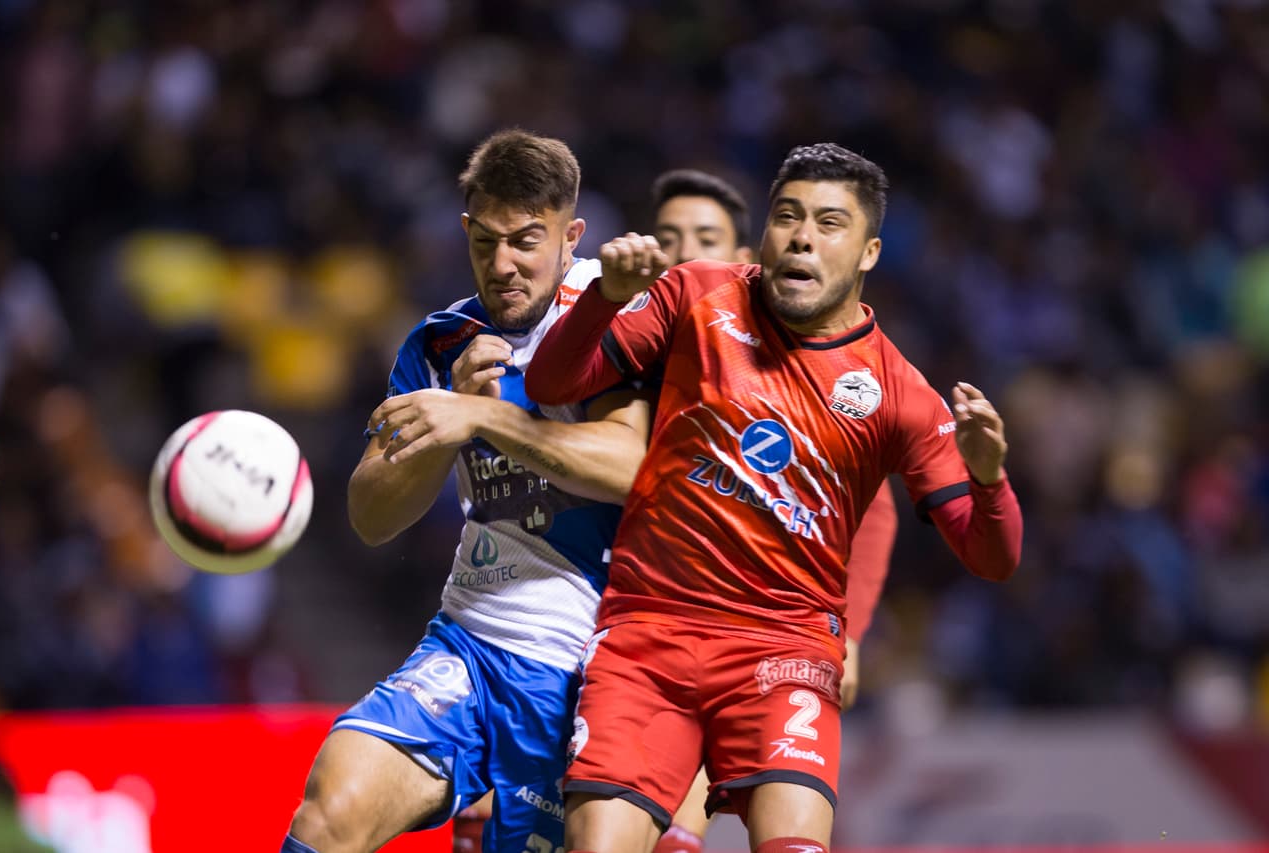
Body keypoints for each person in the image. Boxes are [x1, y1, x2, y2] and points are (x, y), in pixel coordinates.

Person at [526, 142, 1023, 853]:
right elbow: (551, 383)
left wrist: (989, 475)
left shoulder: (901, 394)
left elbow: (991, 554)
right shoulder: (696, 295)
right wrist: (604, 298)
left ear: (869, 252)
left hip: (782, 650)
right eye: (787, 216)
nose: (801, 236)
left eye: (828, 223)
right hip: (648, 635)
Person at [283, 129, 654, 853]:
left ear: (572, 235)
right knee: (328, 814)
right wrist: (448, 420)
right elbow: (370, 513)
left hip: (588, 675)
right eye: (485, 242)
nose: (504, 264)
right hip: (470, 647)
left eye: (526, 240)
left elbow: (631, 464)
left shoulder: (613, 316)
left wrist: (487, 416)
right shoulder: (441, 341)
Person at [647, 168, 898, 853]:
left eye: (703, 239)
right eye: (667, 237)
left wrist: (849, 634)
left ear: (743, 258)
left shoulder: (779, 367)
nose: (682, 254)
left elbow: (872, 511)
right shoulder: (628, 351)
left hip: (740, 631)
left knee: (672, 831)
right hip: (619, 620)